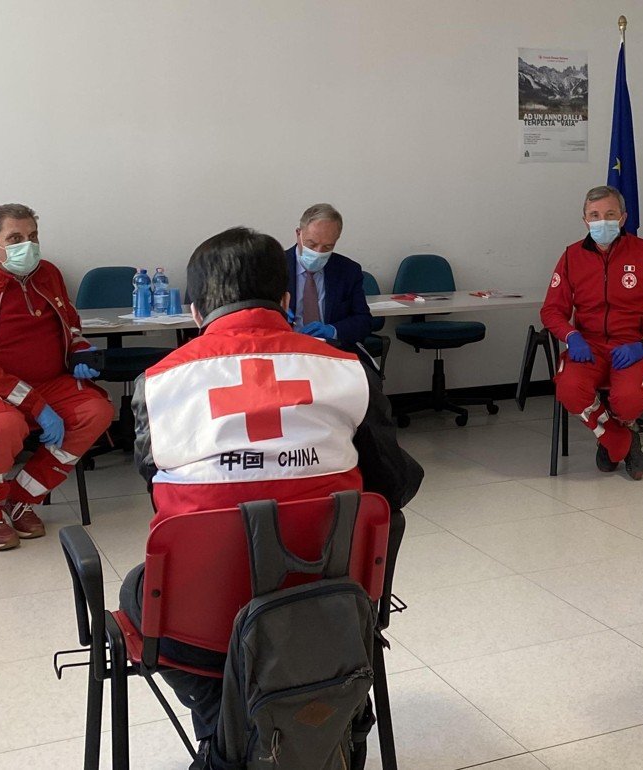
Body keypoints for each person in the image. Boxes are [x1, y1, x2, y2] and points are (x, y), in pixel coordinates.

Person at [118, 226, 423, 748]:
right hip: (327, 609)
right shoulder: (349, 372)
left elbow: (162, 493)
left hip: (205, 623)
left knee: (138, 588)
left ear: (194, 310)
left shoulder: (157, 385)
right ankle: (318, 718)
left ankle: (229, 729)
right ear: (285, 300)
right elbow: (394, 485)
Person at [0, 204, 114, 551]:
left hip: (48, 382)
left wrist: (80, 351)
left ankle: (22, 497)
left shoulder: (48, 273)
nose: (27, 246)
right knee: (6, 425)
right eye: (14, 238)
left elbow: (71, 323)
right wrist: (35, 404)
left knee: (97, 411)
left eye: (33, 237)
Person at [540, 185, 643, 480]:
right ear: (585, 220)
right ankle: (619, 439)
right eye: (594, 215)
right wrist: (571, 336)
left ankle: (615, 436)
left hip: (633, 347)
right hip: (588, 347)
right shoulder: (571, 256)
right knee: (567, 387)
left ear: (622, 218)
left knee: (629, 398)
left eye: (609, 214)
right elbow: (551, 311)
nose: (601, 221)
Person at [285, 203, 373, 347]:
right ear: (298, 234)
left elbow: (364, 321)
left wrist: (333, 331)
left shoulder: (348, 271)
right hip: (287, 349)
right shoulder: (273, 267)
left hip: (332, 349)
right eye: (311, 244)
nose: (318, 252)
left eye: (327, 247)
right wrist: (275, 317)